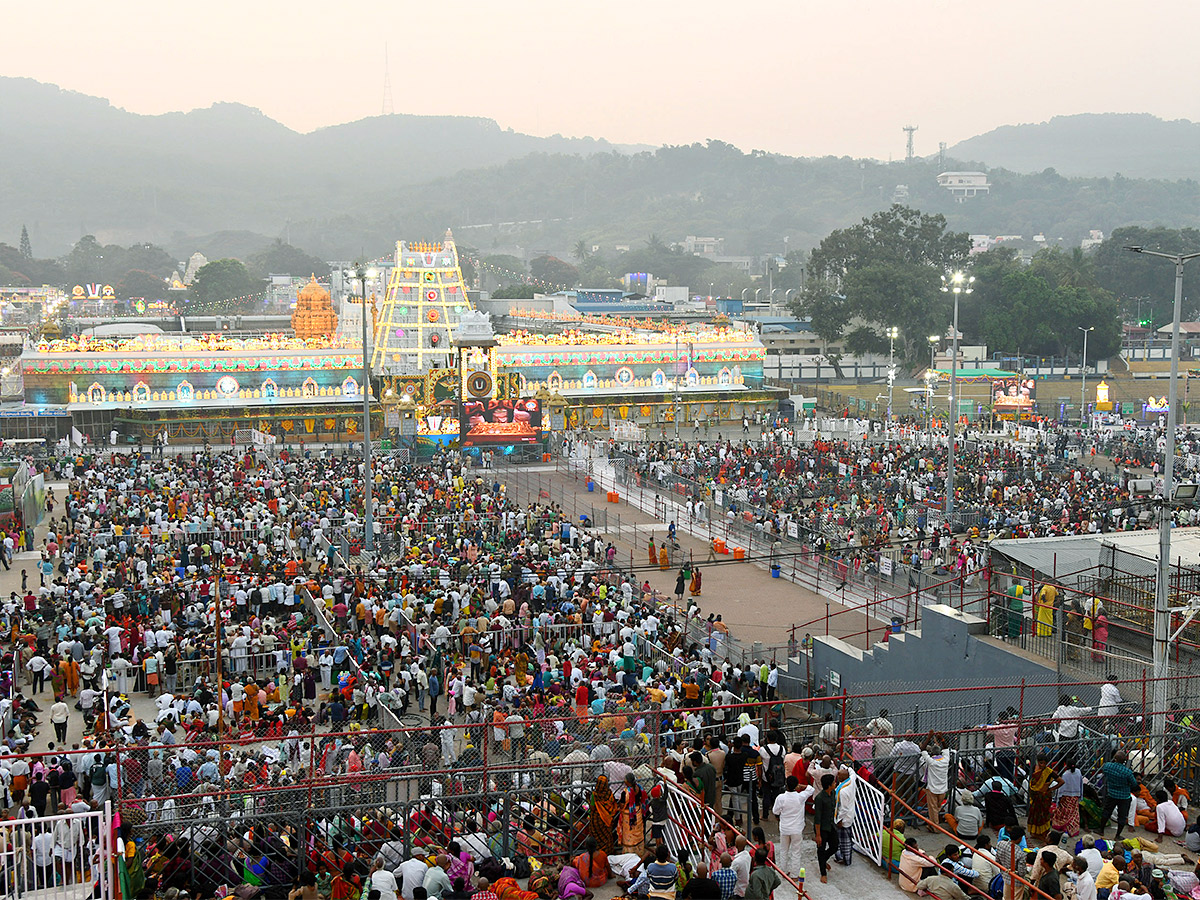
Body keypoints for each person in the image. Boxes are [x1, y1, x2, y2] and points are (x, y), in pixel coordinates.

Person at [771, 775, 814, 878]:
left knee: (783, 850)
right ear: (796, 786)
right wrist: (801, 786)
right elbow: (811, 789)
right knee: (796, 852)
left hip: (785, 828)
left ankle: (783, 872)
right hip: (797, 829)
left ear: (786, 785)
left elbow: (775, 811)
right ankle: (795, 875)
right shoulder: (801, 797)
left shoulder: (781, 798)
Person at [1098, 752, 1138, 842]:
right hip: (1124, 796)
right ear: (1125, 760)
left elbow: (1104, 771)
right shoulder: (1127, 772)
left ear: (1115, 758)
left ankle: (1101, 830)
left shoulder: (1108, 766)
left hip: (1111, 793)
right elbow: (1134, 783)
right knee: (1122, 816)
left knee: (1106, 812)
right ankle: (1117, 835)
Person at [1027, 754, 1062, 842]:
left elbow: (1061, 781)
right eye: (1040, 763)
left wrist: (1051, 789)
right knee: (1034, 815)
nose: (1042, 765)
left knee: (1043, 816)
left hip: (1044, 797)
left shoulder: (1049, 772)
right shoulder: (1035, 770)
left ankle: (1043, 835)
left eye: (1044, 763)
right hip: (1036, 797)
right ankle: (1035, 833)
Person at [813, 773, 837, 884]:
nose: (835, 784)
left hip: (830, 825)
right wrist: (818, 835)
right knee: (821, 849)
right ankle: (823, 873)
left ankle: (823, 861)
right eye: (833, 782)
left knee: (834, 846)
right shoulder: (820, 798)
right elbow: (817, 818)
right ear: (829, 785)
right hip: (822, 827)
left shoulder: (832, 794)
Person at [1052, 756, 1084, 838]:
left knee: (1064, 813)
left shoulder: (1065, 774)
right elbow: (1081, 784)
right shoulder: (1078, 772)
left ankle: (1063, 826)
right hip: (1075, 796)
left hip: (1066, 797)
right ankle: (1073, 829)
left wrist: (1058, 797)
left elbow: (1061, 788)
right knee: (1074, 813)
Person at [591, 775, 621, 854]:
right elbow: (613, 805)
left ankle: (597, 854)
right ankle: (607, 853)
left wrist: (588, 799)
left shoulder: (595, 795)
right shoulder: (609, 794)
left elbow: (593, 808)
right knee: (606, 837)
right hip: (607, 819)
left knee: (597, 839)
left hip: (597, 820)